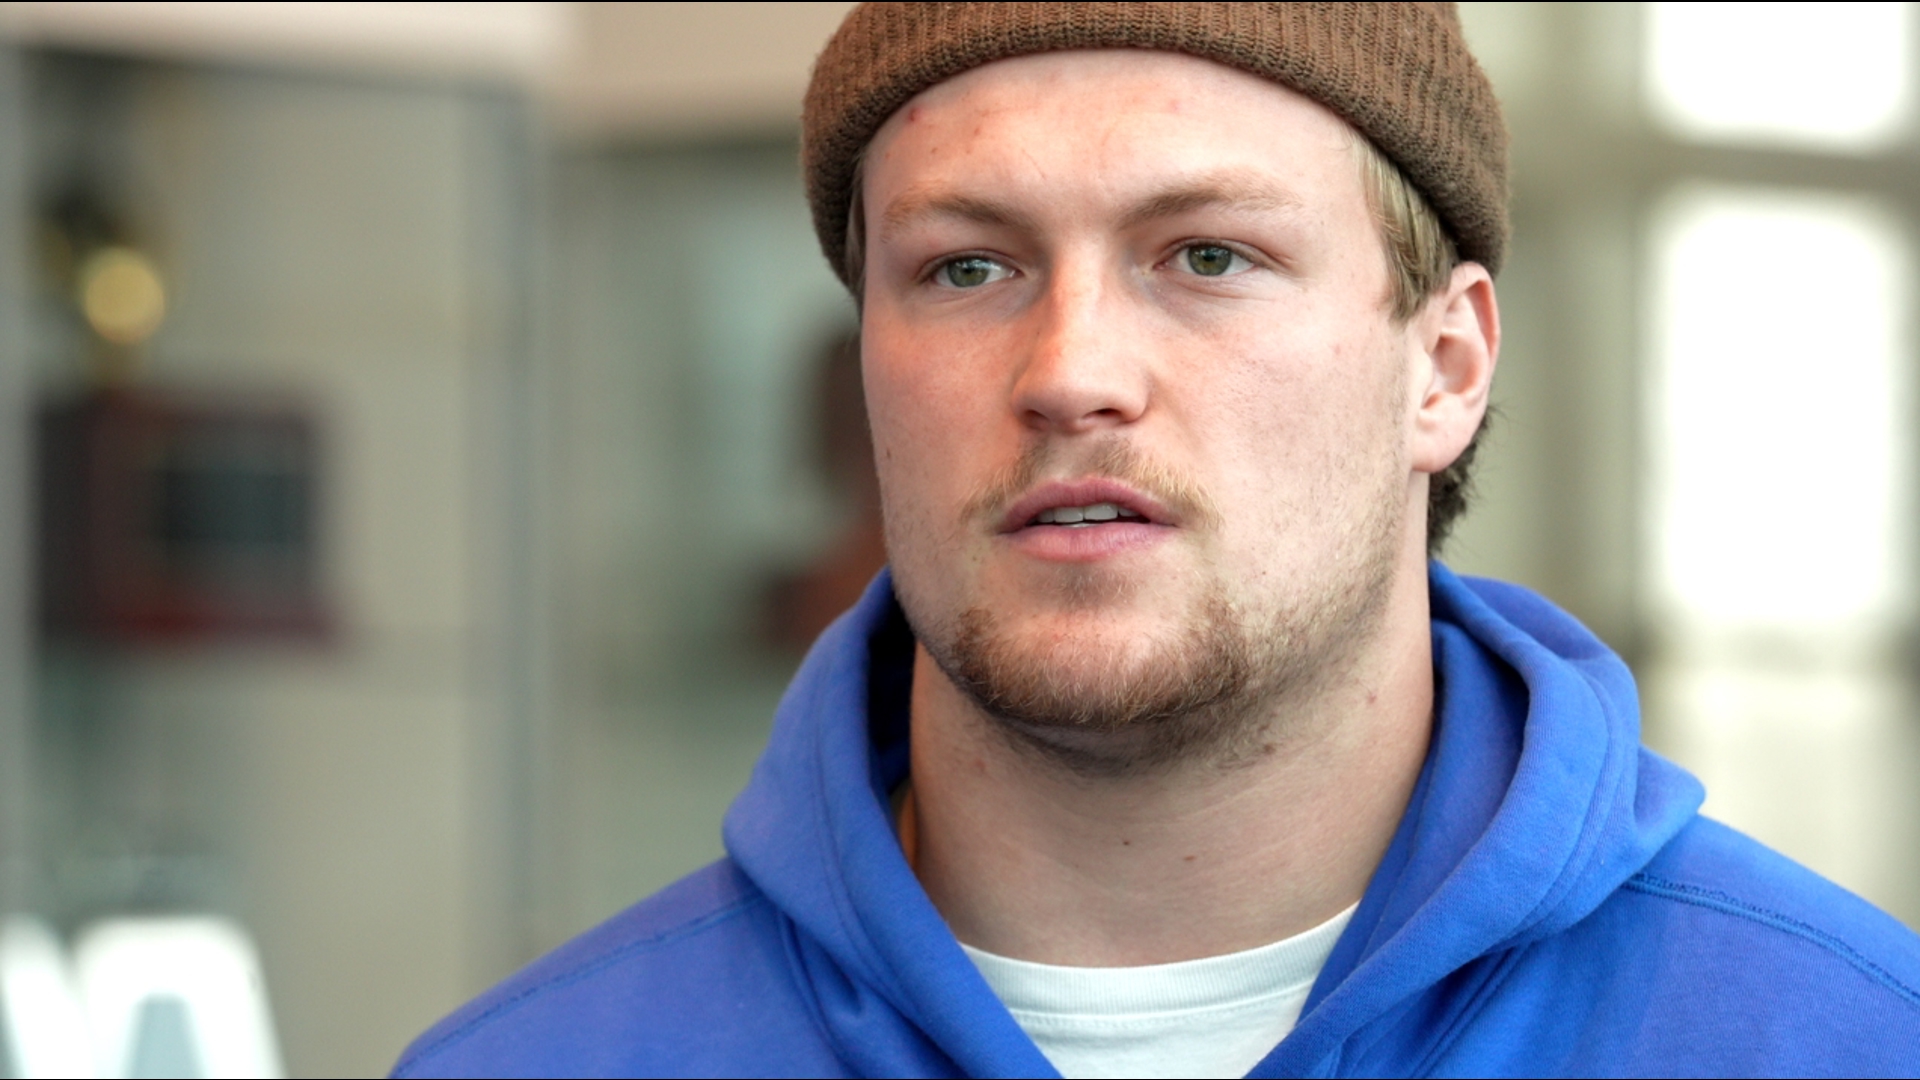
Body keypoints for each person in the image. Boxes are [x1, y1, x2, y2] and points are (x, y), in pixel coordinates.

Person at [395, 5, 1920, 1077]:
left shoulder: (1839, 1039)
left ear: (1443, 369)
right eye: (968, 265)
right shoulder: (540, 1064)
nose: (1068, 368)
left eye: (1208, 255)